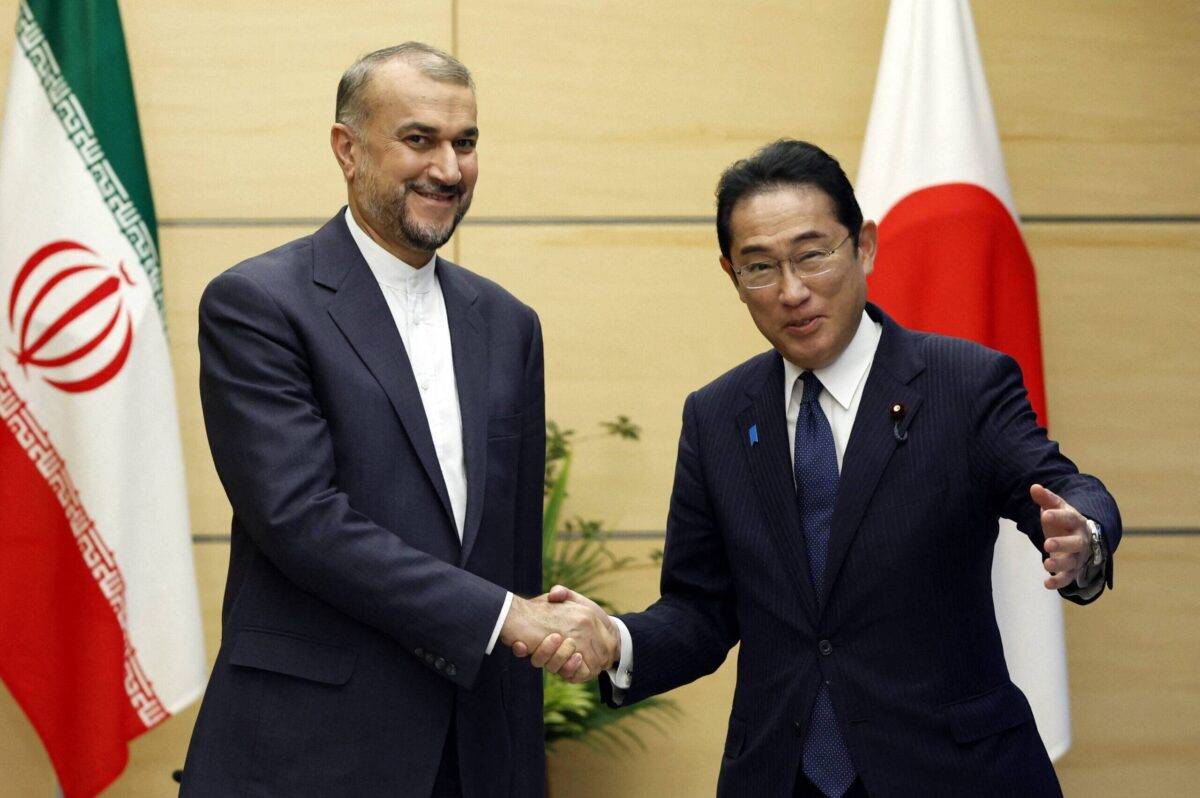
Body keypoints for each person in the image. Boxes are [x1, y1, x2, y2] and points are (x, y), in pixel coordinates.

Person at [521, 140, 1120, 797]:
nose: (792, 291)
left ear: (863, 246)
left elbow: (1063, 486)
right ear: (731, 275)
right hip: (781, 776)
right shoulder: (718, 416)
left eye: (812, 255)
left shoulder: (961, 383)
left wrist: (1082, 535)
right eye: (760, 267)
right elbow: (700, 611)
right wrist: (614, 639)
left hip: (949, 772)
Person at [181, 43, 614, 798]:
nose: (448, 169)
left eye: (466, 143)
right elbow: (301, 519)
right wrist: (503, 616)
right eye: (419, 140)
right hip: (308, 755)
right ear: (347, 149)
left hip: (473, 756)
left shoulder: (510, 323)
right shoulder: (258, 304)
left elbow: (511, 555)